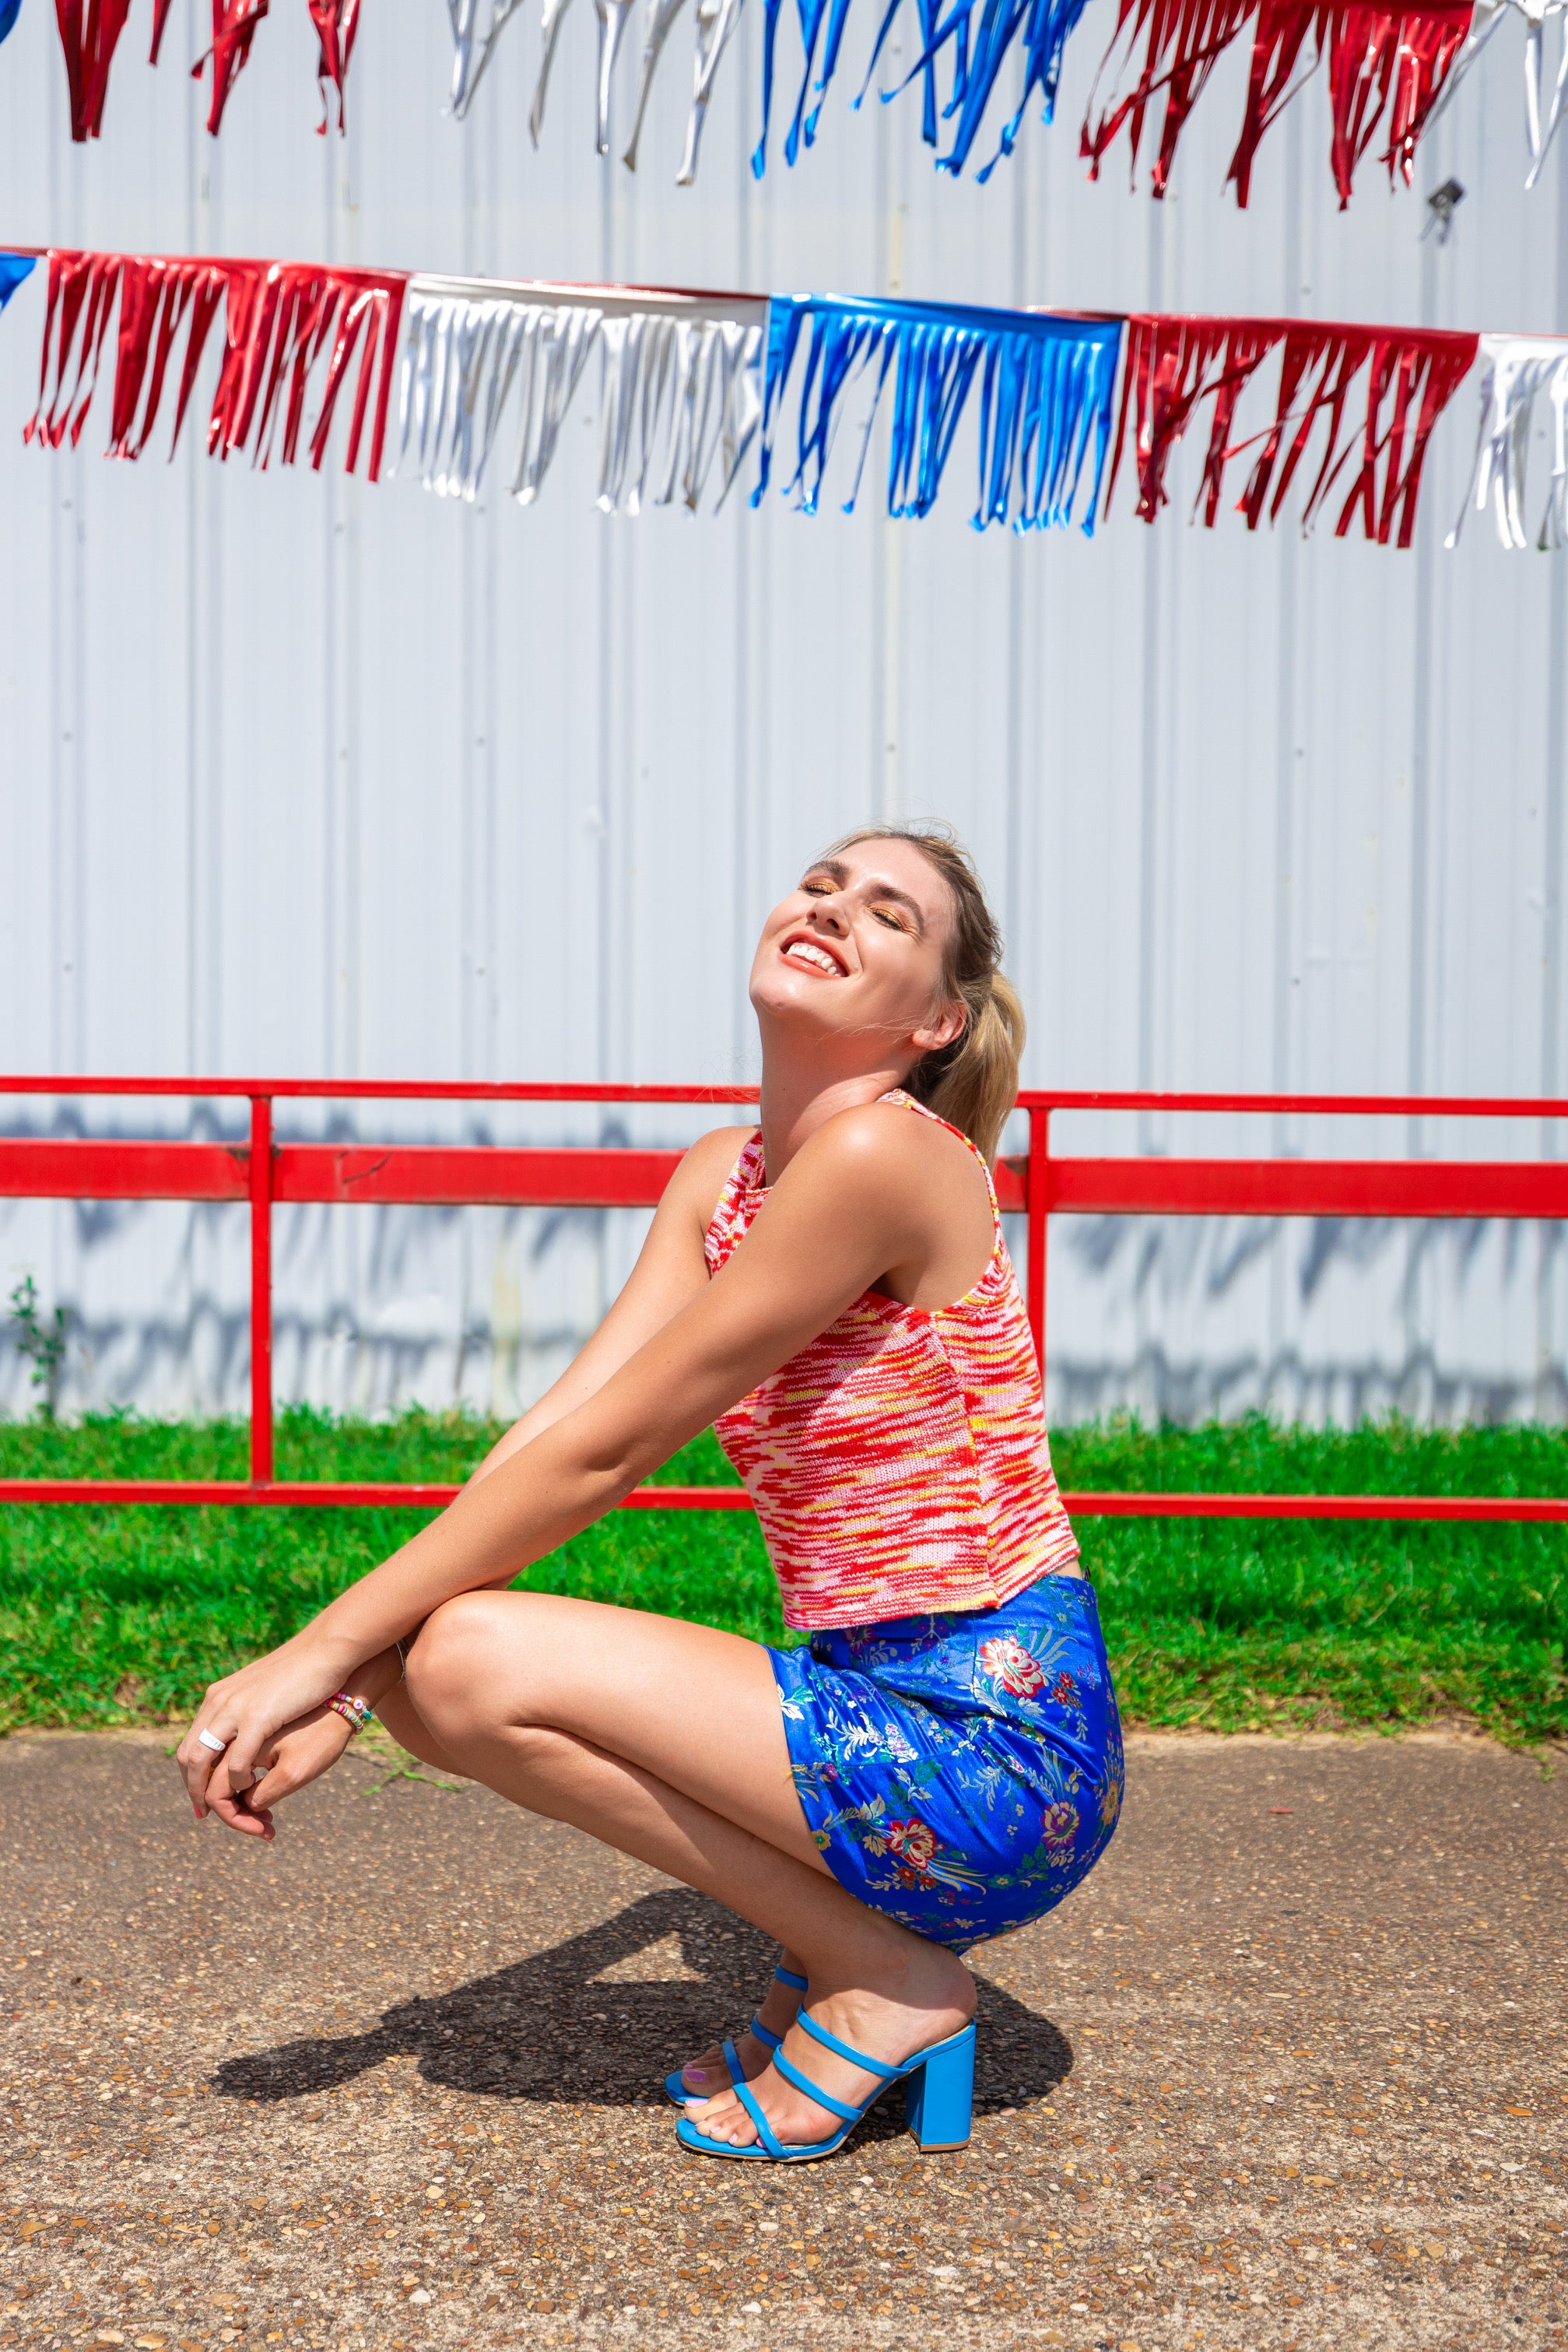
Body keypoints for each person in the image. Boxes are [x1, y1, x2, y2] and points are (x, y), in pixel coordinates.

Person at [177, 823, 1124, 2165]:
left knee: (464, 1652)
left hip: (997, 1746)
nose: (834, 907)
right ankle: (851, 1948)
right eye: (820, 883)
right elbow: (552, 1433)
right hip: (870, 1698)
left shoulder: (886, 1158)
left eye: (889, 914)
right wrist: (346, 1678)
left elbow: (608, 1459)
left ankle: (886, 1974)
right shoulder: (719, 1179)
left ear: (936, 1019)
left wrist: (313, 1650)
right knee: (435, 1669)